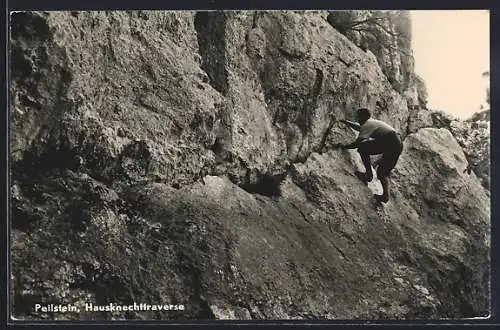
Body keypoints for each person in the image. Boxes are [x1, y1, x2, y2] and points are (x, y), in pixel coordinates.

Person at [338, 108, 403, 203]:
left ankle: (368, 175)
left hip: (390, 141)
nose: (356, 118)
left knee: (363, 148)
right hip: (397, 143)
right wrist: (348, 123)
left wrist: (344, 146)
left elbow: (357, 143)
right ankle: (385, 196)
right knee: (382, 171)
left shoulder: (367, 125)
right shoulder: (370, 123)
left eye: (358, 116)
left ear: (362, 117)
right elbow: (360, 128)